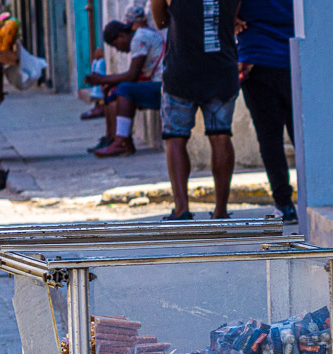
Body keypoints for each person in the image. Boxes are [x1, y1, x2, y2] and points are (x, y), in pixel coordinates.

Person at [150, 0, 238, 220]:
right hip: (221, 68)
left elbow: (159, 21)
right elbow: (234, 15)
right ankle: (220, 210)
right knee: (221, 135)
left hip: (182, 70)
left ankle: (181, 208)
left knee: (175, 138)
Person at [235, 0, 297, 223]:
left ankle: (285, 204)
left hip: (257, 59)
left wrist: (230, 19)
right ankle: (314, 198)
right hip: (296, 57)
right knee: (302, 135)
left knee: (269, 138)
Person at [86, 6, 164, 158]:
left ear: (121, 36)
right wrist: (108, 83)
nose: (119, 50)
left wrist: (101, 79)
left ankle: (122, 141)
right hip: (159, 83)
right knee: (115, 89)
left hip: (164, 87)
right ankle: (112, 138)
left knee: (125, 89)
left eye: (116, 45)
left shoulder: (139, 39)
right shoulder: (141, 36)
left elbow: (132, 76)